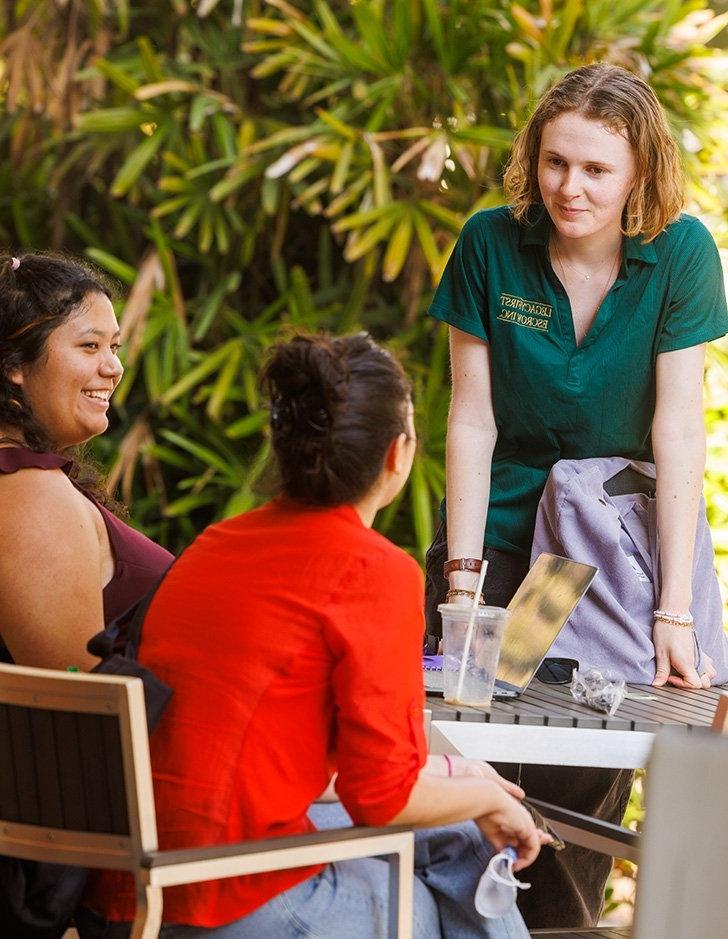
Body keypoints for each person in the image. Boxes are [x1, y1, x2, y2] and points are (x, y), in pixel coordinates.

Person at [79, 333, 550, 939]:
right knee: (421, 905)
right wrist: (493, 801)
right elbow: (381, 798)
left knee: (458, 839)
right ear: (398, 455)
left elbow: (279, 756)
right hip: (213, 895)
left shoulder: (214, 546)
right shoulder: (374, 571)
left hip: (124, 880)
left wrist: (468, 784)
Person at [423, 63, 728, 927]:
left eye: (596, 169)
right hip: (504, 536)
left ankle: (555, 926)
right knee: (472, 751)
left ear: (639, 174)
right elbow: (472, 420)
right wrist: (462, 579)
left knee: (579, 770)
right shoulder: (491, 242)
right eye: (556, 162)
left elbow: (677, 434)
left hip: (597, 555)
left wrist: (674, 611)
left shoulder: (680, 254)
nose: (570, 187)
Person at [0, 253, 174, 670]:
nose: (114, 367)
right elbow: (74, 704)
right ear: (16, 365)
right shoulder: (28, 493)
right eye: (90, 346)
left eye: (113, 347)